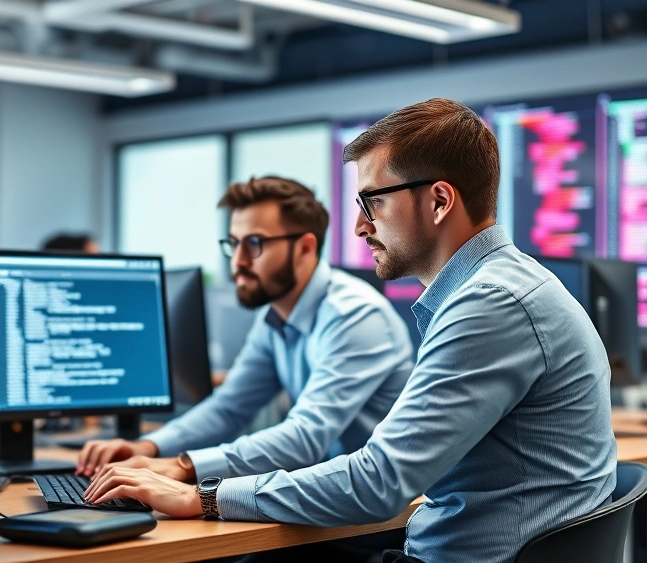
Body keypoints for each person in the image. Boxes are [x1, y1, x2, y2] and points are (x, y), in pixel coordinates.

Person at [84, 99, 618, 563]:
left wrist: (201, 495)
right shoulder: (491, 291)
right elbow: (234, 408)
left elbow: (379, 481)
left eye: (373, 203)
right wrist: (164, 458)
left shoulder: (490, 304)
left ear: (438, 202)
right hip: (456, 551)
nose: (361, 228)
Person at [77, 176, 415, 496]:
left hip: (372, 514)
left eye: (254, 244)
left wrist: (183, 466)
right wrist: (149, 446)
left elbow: (305, 437)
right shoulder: (274, 317)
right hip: (320, 495)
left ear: (305, 248)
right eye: (234, 244)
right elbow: (229, 409)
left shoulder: (354, 316)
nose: (237, 261)